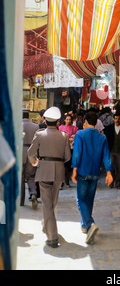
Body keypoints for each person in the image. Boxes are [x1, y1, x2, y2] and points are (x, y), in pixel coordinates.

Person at [27, 106, 71, 248]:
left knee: (47, 204)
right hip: (58, 172)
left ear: (45, 121)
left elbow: (31, 152)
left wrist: (35, 163)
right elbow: (67, 157)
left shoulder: (39, 134)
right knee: (52, 203)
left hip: (43, 170)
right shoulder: (64, 136)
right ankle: (48, 228)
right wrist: (57, 163)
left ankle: (52, 237)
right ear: (58, 122)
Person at [71, 111, 113, 244]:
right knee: (89, 200)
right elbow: (106, 156)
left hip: (83, 171)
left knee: (80, 200)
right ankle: (85, 226)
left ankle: (90, 223)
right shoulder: (102, 137)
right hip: (95, 172)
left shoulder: (80, 134)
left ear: (85, 121)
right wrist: (109, 173)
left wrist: (74, 170)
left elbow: (76, 153)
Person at [21, 111, 39, 209]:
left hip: (20, 152)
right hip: (32, 153)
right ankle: (33, 193)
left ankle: (21, 200)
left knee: (21, 177)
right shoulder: (35, 126)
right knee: (31, 176)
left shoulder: (18, 125)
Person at [59, 113, 78, 186]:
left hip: (71, 148)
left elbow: (75, 138)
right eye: (67, 119)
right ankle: (62, 181)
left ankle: (67, 180)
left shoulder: (75, 128)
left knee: (69, 165)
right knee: (62, 165)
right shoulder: (60, 127)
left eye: (70, 119)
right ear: (64, 120)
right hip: (62, 148)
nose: (68, 121)